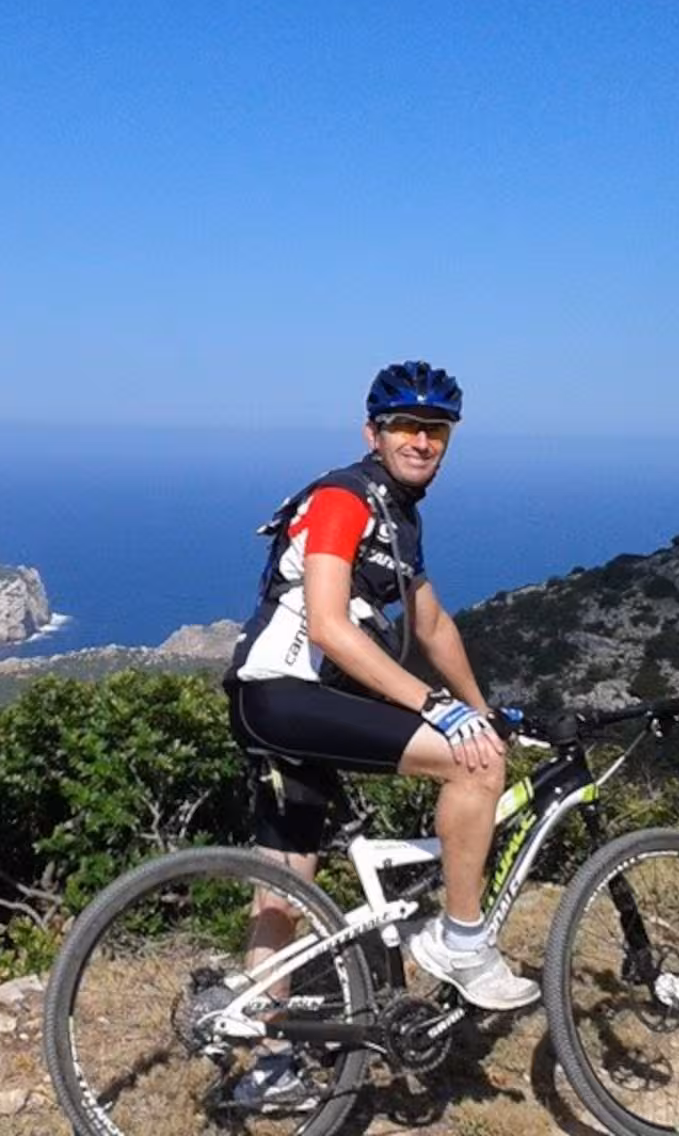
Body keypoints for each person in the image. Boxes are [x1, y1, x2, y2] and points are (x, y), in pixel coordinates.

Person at [221, 361, 538, 1110]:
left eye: (436, 430)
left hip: (286, 705)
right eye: (406, 426)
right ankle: (460, 942)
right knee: (475, 768)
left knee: (286, 884)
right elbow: (330, 623)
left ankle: (264, 1054)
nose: (421, 440)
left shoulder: (398, 517)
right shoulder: (343, 498)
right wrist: (446, 713)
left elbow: (430, 622)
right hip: (284, 696)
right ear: (374, 433)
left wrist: (479, 703)